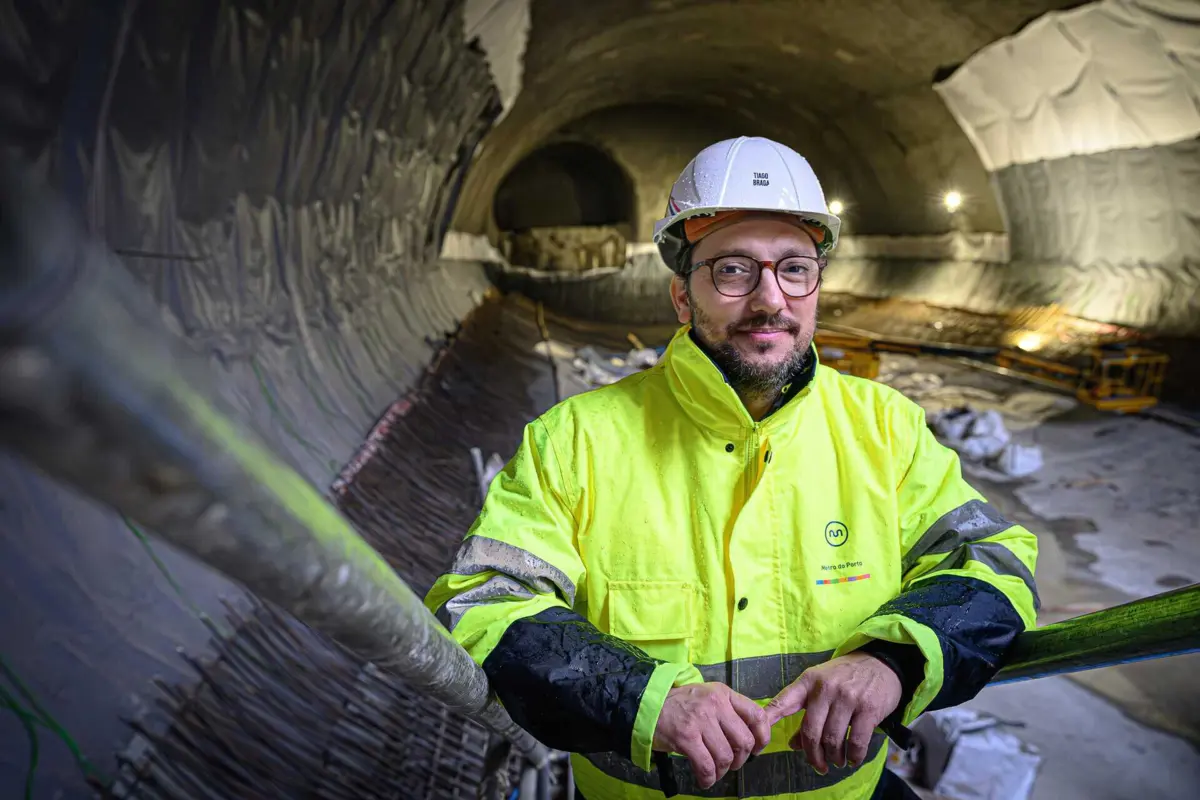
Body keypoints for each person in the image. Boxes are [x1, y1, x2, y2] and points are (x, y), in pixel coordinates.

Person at [425, 136, 1039, 800]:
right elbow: (484, 600)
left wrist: (895, 658)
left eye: (794, 268)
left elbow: (992, 558)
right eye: (733, 270)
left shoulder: (884, 429)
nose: (770, 299)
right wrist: (641, 696)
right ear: (683, 297)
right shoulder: (576, 441)